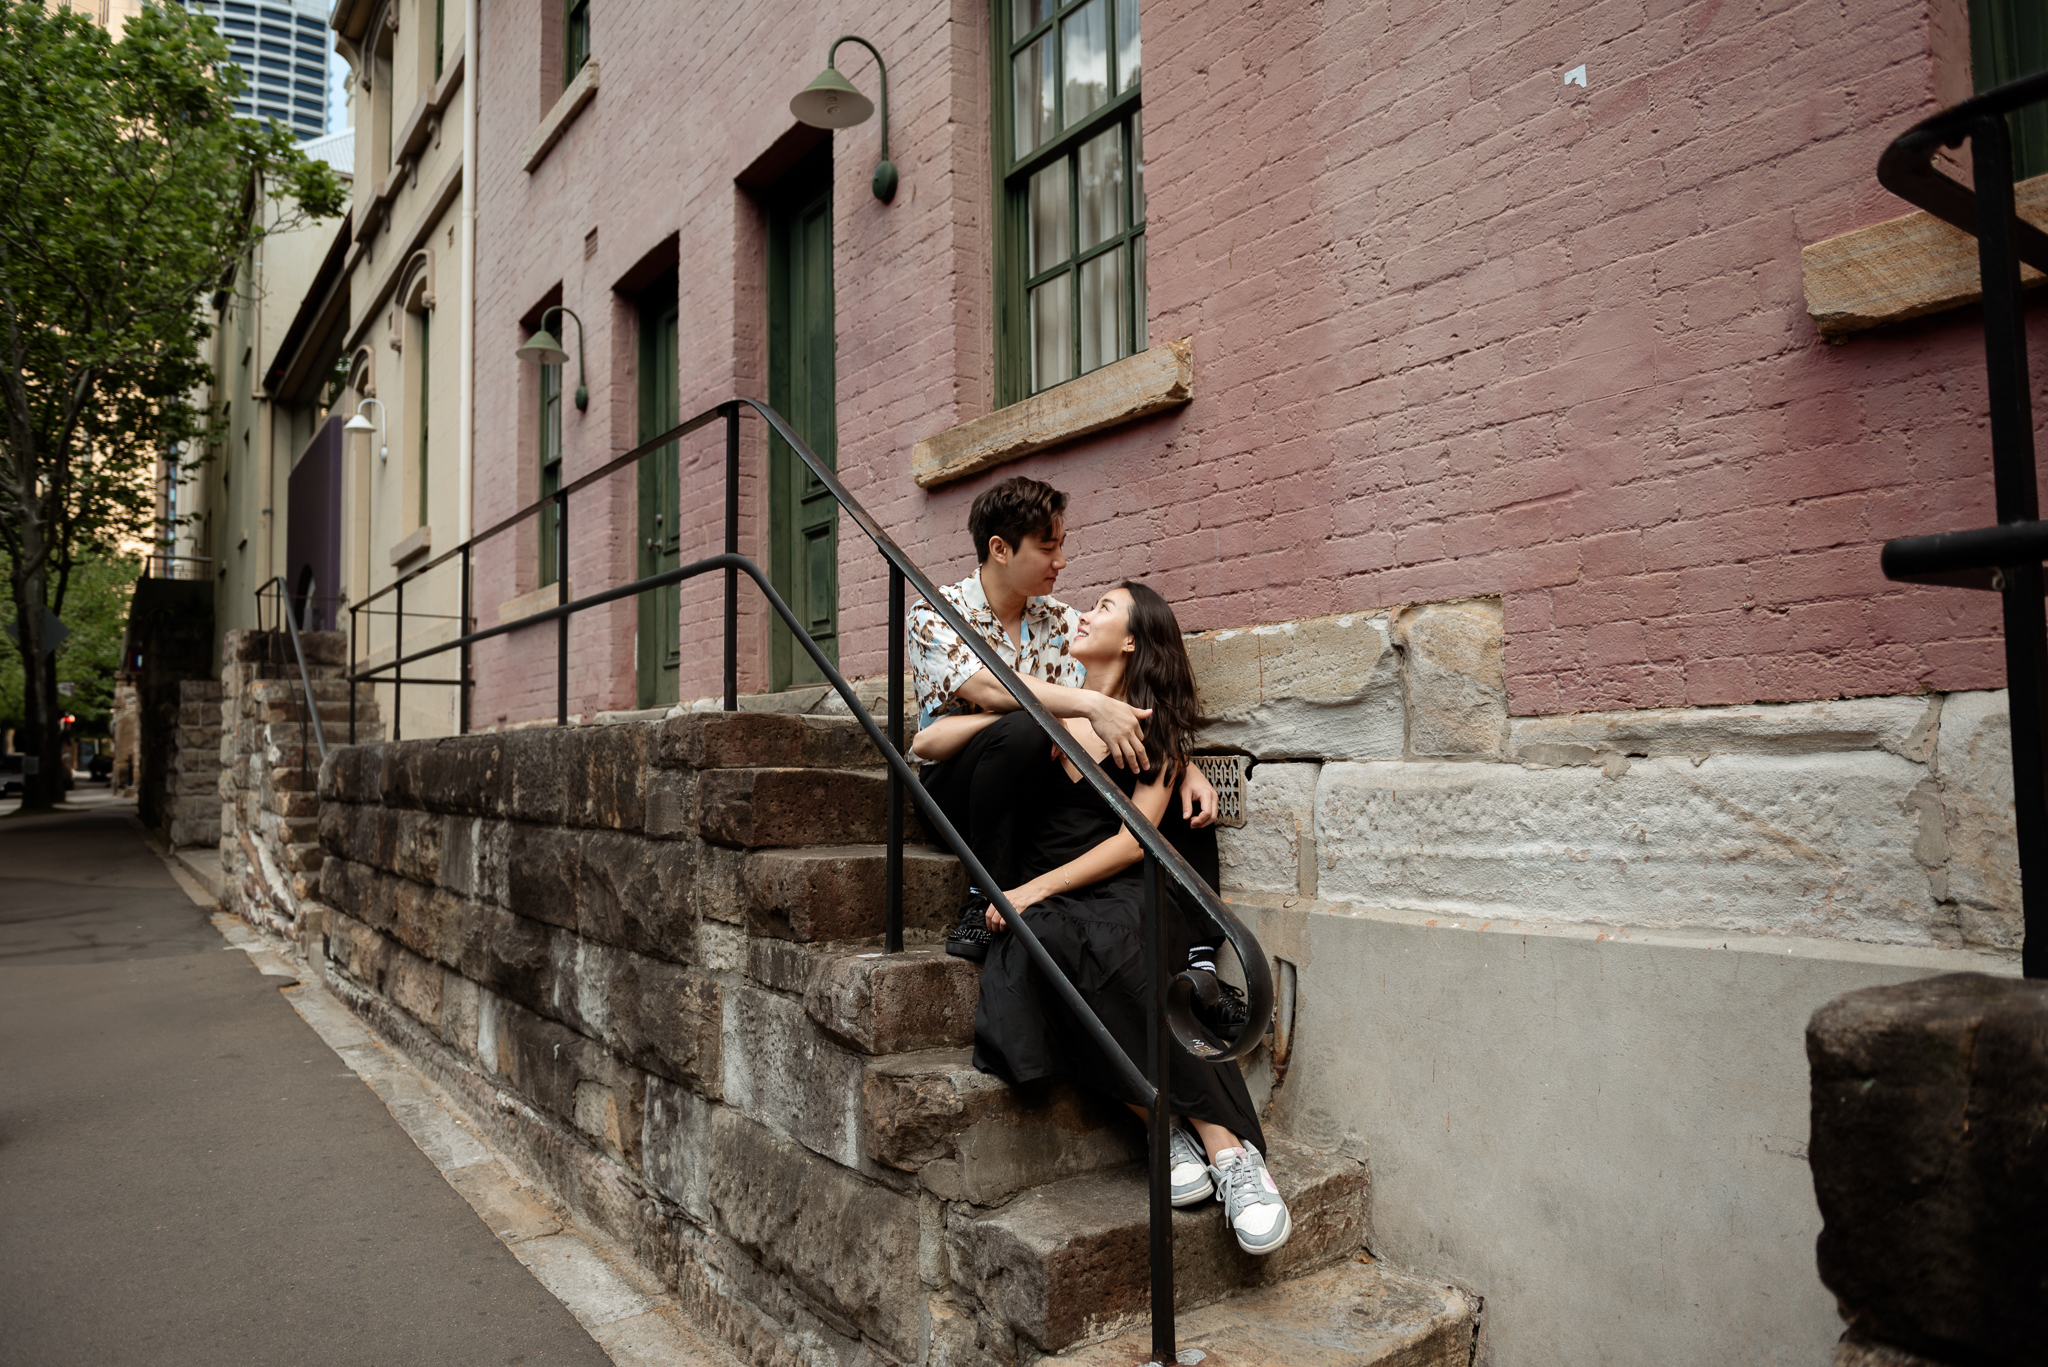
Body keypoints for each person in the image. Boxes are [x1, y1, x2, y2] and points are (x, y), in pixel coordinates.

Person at [916, 581, 1291, 1255]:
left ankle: (1231, 1152)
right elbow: (936, 742)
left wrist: (1028, 892)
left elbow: (1132, 840)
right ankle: (1163, 1121)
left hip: (1116, 881)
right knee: (1040, 955)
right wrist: (1023, 894)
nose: (1081, 613)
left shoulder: (1153, 727)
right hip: (1046, 891)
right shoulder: (1046, 702)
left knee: (1117, 943)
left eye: (1104, 609)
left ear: (1131, 641)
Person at [906, 477, 1243, 1031]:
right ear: (1000, 549)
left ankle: (1199, 960)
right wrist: (1079, 705)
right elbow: (992, 693)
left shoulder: (1060, 623)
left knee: (1167, 789)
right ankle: (979, 892)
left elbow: (1124, 691)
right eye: (1047, 546)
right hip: (956, 789)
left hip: (1034, 785)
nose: (1062, 560)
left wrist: (1185, 763)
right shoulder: (935, 615)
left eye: (1062, 543)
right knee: (1024, 728)